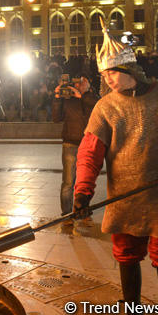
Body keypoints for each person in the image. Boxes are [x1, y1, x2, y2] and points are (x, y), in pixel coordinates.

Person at [72, 20, 158, 315]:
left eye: (111, 72)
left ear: (129, 69)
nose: (106, 78)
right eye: (103, 73)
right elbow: (89, 152)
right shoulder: (105, 107)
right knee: (126, 254)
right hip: (124, 195)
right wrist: (82, 191)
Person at [52, 74, 98, 226]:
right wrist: (58, 97)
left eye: (82, 83)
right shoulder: (68, 99)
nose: (78, 85)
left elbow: (91, 117)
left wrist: (81, 97)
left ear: (88, 85)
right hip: (70, 144)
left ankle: (83, 211)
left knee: (85, 181)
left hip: (87, 143)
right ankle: (66, 215)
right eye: (76, 83)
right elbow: (56, 118)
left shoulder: (92, 98)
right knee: (68, 182)